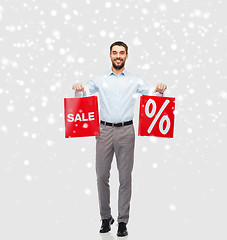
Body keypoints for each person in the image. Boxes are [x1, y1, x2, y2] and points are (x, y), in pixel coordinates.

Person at [72, 41, 167, 237]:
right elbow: (83, 95)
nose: (118, 56)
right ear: (109, 55)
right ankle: (105, 218)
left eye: (121, 53)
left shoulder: (135, 79)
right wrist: (78, 87)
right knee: (101, 176)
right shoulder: (98, 79)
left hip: (126, 132)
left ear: (126, 56)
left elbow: (152, 94)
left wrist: (159, 89)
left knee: (125, 178)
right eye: (114, 53)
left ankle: (123, 221)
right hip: (103, 131)